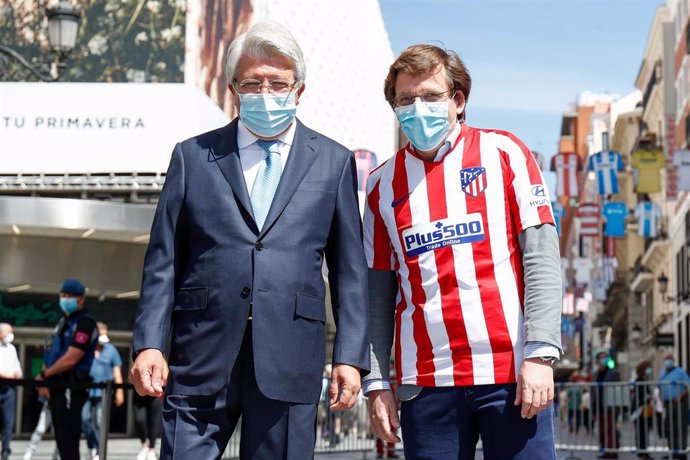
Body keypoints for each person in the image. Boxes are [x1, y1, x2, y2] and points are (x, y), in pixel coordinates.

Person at [130, 21, 369, 459]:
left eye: (277, 83)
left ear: (299, 90)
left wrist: (351, 356)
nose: (265, 93)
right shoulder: (192, 156)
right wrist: (149, 341)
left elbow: (351, 272)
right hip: (199, 354)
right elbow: (163, 260)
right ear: (232, 89)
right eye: (252, 83)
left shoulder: (334, 162)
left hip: (290, 356)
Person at [363, 44, 562, 460]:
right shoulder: (381, 185)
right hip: (426, 386)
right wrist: (378, 382)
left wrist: (541, 353)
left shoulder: (505, 153)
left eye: (431, 96)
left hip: (511, 377)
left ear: (458, 100)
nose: (418, 107)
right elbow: (377, 294)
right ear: (395, 108)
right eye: (406, 99)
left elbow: (541, 260)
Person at [35, 278, 99, 460]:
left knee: (68, 438)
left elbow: (72, 358)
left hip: (71, 385)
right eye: (62, 295)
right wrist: (45, 378)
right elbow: (51, 352)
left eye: (69, 296)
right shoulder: (63, 322)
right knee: (61, 438)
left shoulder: (85, 323)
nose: (65, 299)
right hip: (56, 386)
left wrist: (45, 375)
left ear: (81, 299)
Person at [81, 322, 125, 460]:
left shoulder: (111, 350)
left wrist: (119, 392)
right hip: (87, 392)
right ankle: (91, 446)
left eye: (105, 333)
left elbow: (117, 372)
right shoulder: (87, 349)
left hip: (103, 394)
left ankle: (100, 452)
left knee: (100, 422)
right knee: (85, 420)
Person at [658, 353, 690, 459]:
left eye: (669, 359)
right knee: (670, 428)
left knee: (680, 427)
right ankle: (673, 450)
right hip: (668, 403)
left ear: (673, 360)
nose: (668, 361)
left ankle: (682, 452)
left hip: (680, 403)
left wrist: (680, 397)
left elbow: (688, 386)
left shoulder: (680, 371)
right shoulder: (662, 373)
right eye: (666, 359)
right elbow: (659, 386)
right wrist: (661, 399)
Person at [593, 351, 621, 459]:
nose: (603, 360)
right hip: (599, 405)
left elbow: (618, 389)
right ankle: (605, 449)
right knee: (602, 429)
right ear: (597, 360)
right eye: (601, 358)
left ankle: (612, 451)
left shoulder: (614, 373)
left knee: (610, 428)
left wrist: (618, 406)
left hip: (610, 405)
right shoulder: (595, 374)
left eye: (605, 357)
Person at [0, 323, 21, 460]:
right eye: (8, 332)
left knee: (8, 423)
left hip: (9, 390)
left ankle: (5, 454)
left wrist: (13, 375)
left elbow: (18, 371)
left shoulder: (11, 349)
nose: (11, 335)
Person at [631, 360, 653, 458]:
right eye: (648, 367)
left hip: (644, 409)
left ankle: (643, 451)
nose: (650, 369)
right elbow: (640, 394)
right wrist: (648, 397)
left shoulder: (644, 380)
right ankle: (642, 451)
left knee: (644, 431)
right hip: (640, 410)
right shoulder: (639, 380)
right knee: (642, 431)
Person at [133, 393, 162, 460]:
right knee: (139, 420)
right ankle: (144, 446)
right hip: (139, 393)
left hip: (155, 394)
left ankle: (151, 449)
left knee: (154, 423)